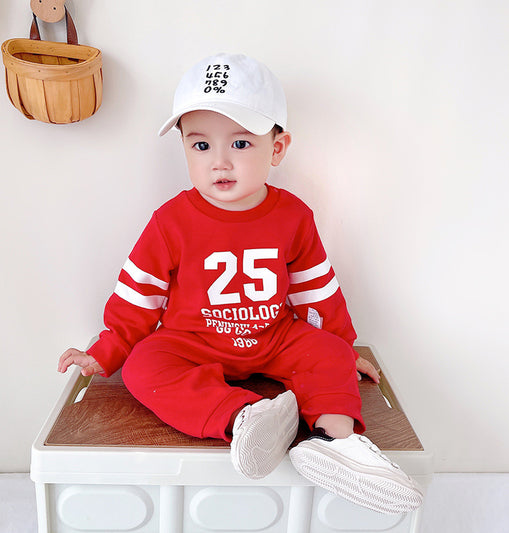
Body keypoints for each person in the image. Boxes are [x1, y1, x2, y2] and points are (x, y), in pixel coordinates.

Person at [58, 53, 423, 514]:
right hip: (193, 341)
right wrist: (109, 348)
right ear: (184, 148)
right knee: (143, 367)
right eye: (201, 145)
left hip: (273, 336)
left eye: (241, 143)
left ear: (277, 148)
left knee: (327, 353)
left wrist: (342, 346)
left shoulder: (293, 216)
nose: (220, 162)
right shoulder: (171, 221)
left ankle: (336, 443)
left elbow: (316, 289)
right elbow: (139, 293)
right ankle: (247, 419)